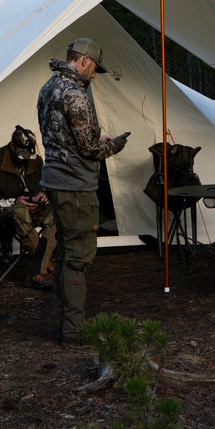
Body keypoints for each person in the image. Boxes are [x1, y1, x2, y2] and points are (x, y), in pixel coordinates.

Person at [37, 38, 129, 345]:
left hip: (55, 178)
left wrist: (95, 135)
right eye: (93, 69)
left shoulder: (48, 87)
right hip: (75, 184)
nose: (94, 75)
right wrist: (115, 145)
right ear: (84, 61)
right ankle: (74, 330)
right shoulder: (75, 93)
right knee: (78, 255)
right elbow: (89, 150)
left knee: (66, 249)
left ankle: (68, 320)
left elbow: (61, 134)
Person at [0, 125, 57, 290]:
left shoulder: (35, 161)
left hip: (33, 208)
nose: (25, 159)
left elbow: (46, 186)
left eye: (28, 155)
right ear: (12, 145)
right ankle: (46, 267)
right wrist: (14, 202)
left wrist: (44, 195)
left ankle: (38, 270)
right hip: (6, 213)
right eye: (21, 154)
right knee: (20, 212)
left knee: (58, 212)